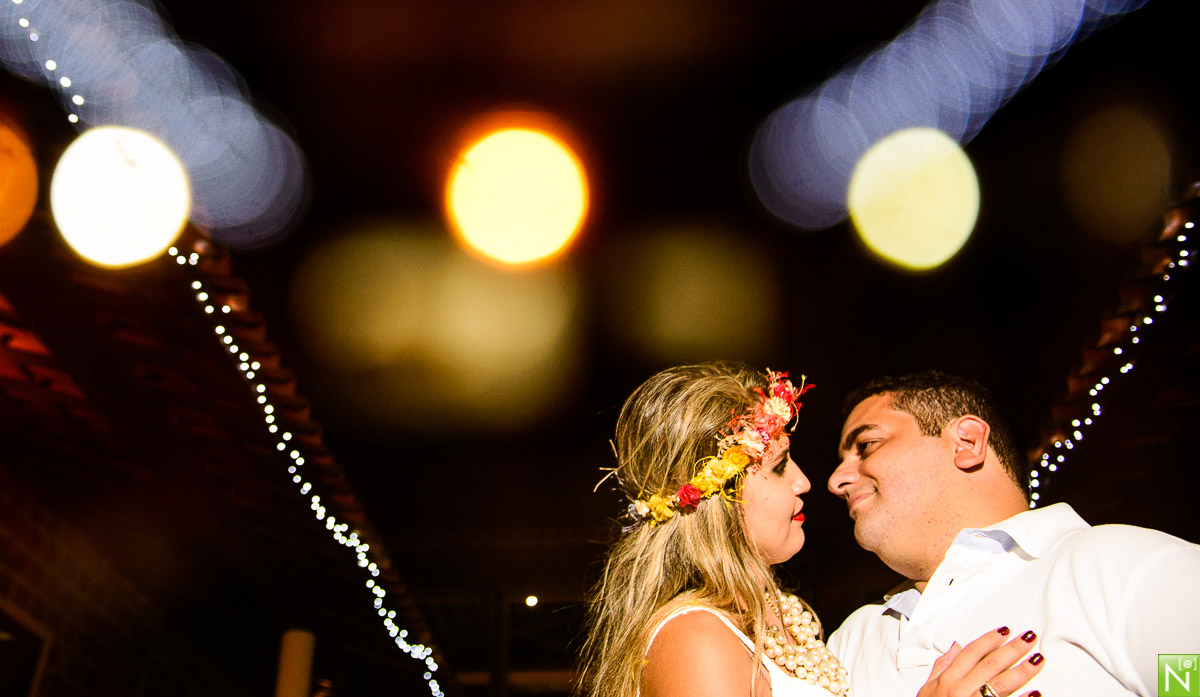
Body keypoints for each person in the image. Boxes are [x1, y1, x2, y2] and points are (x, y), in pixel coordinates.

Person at [577, 362, 1044, 697]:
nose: (805, 482)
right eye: (780, 466)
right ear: (720, 497)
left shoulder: (795, 625)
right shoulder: (694, 637)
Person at [828, 370, 1200, 697]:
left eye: (866, 446)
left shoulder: (1120, 565)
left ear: (967, 442)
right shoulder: (851, 642)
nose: (836, 480)